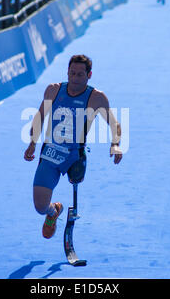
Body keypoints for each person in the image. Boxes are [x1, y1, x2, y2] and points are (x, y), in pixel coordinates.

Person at [24, 54, 123, 239]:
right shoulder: (53, 90)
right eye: (72, 73)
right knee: (40, 207)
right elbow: (39, 117)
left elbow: (115, 124)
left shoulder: (96, 98)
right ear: (67, 72)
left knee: (77, 177)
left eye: (80, 75)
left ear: (89, 75)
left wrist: (115, 145)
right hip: (51, 153)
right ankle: (53, 212)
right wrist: (32, 143)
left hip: (74, 155)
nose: (75, 79)